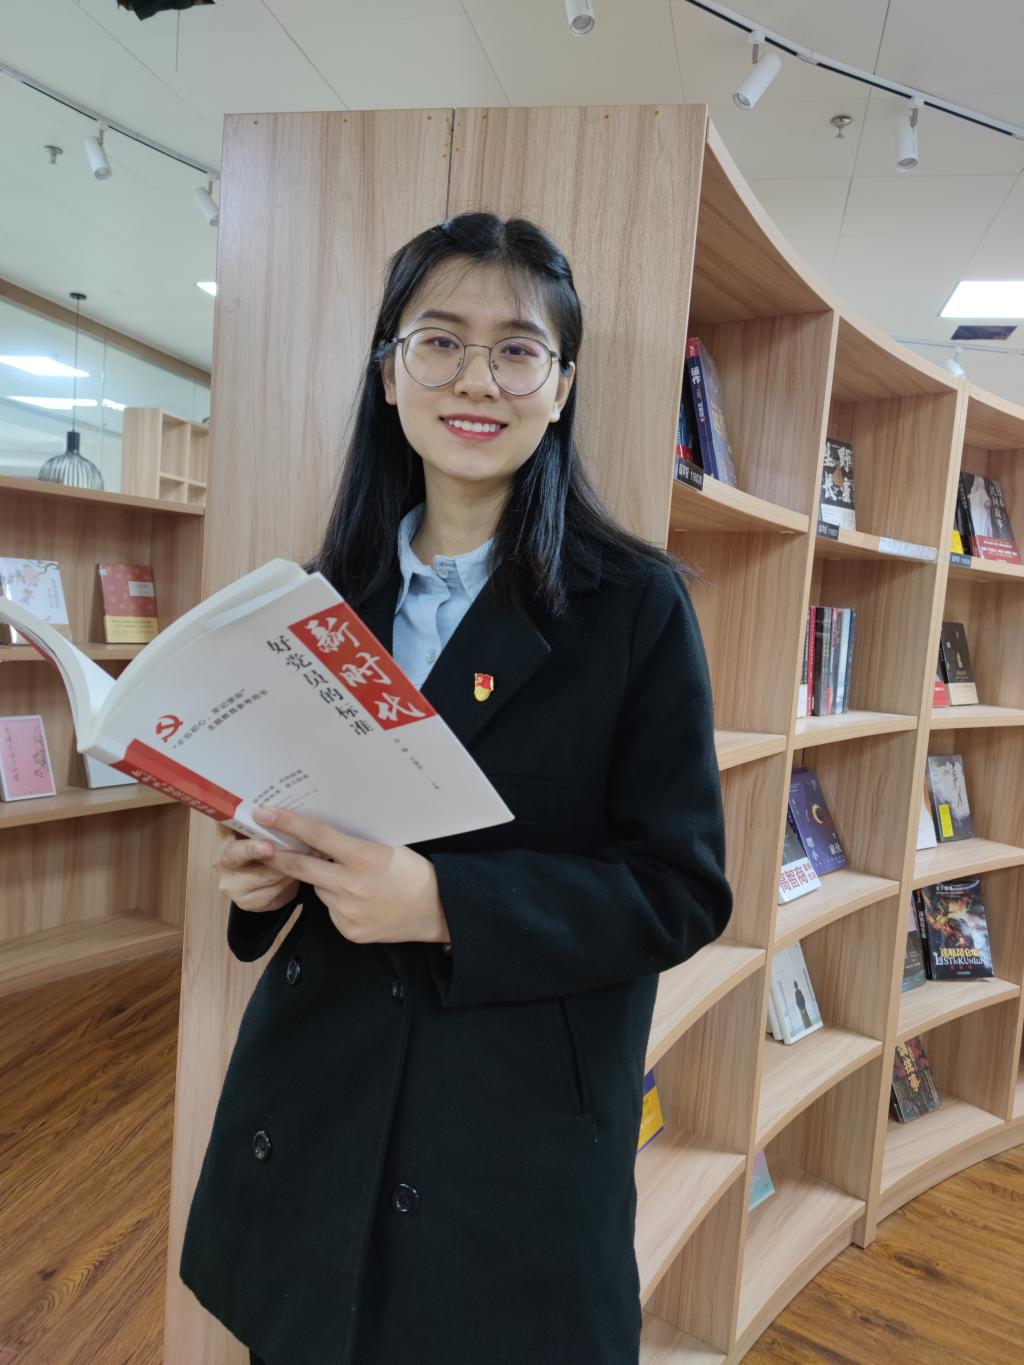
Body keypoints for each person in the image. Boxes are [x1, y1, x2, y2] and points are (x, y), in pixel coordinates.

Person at [178, 211, 733, 1365]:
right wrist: (261, 879)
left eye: (516, 349)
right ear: (389, 374)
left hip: (503, 1124)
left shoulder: (634, 607)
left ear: (560, 386)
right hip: (321, 1093)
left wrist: (444, 904)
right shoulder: (319, 600)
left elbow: (678, 890)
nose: (476, 379)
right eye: (438, 342)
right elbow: (298, 813)